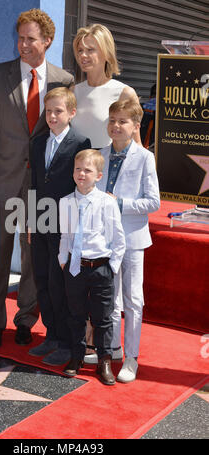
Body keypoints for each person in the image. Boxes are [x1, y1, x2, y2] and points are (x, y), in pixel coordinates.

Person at [0, 9, 74, 349]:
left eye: (31, 39)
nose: (23, 44)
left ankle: (26, 319)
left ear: (47, 41)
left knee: (34, 256)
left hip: (40, 186)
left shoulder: (64, 80)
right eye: (20, 37)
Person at [71, 23, 141, 363]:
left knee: (104, 271)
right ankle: (85, 337)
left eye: (91, 50)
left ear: (106, 53)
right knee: (80, 263)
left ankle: (107, 343)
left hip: (108, 196)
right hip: (78, 188)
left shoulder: (123, 91)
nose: (84, 56)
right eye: (80, 50)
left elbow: (136, 152)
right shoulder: (74, 90)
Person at [97, 99, 160, 382]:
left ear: (136, 126)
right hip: (105, 240)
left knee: (133, 299)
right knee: (110, 299)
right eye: (112, 120)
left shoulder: (145, 158)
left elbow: (153, 202)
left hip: (133, 239)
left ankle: (132, 358)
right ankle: (114, 350)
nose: (115, 126)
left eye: (122, 121)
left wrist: (119, 204)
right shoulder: (99, 155)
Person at [28, 87, 91, 366]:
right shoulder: (38, 142)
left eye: (58, 111)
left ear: (71, 113)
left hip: (65, 223)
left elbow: (82, 186)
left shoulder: (80, 142)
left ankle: (67, 341)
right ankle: (51, 334)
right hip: (40, 220)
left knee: (60, 283)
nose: (52, 116)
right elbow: (34, 184)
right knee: (41, 279)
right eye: (48, 111)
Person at [58, 149, 126, 385]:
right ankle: (76, 357)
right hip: (75, 267)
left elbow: (118, 239)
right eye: (78, 169)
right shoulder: (65, 202)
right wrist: (63, 260)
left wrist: (112, 268)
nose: (81, 174)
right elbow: (65, 236)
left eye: (87, 170)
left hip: (101, 268)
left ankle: (104, 360)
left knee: (102, 317)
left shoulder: (107, 203)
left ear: (98, 175)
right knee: (75, 315)